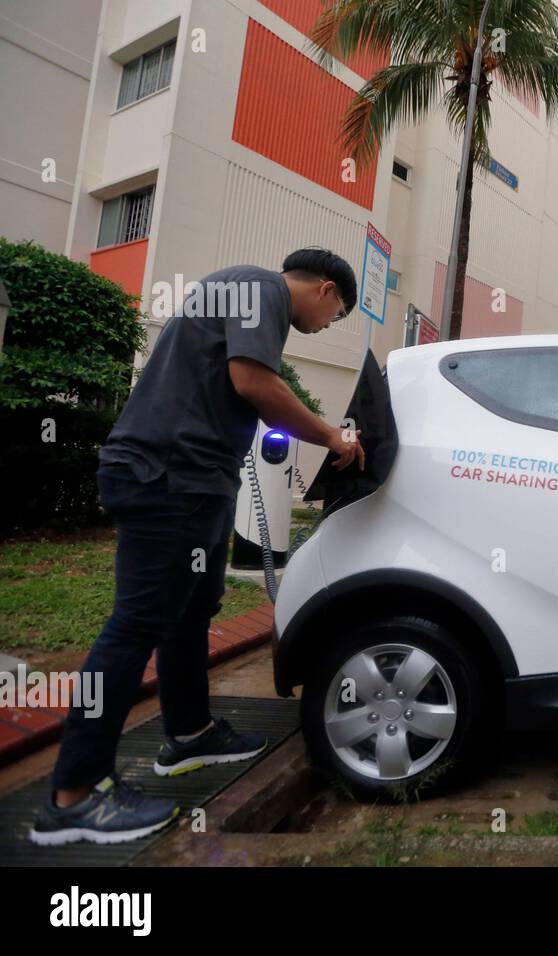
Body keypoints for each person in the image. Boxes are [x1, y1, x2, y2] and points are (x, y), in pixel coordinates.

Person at [30, 249, 366, 846]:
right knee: (135, 625)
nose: (328, 324)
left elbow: (235, 385)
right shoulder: (261, 288)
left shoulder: (245, 292)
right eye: (337, 313)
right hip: (169, 477)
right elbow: (252, 381)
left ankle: (188, 736)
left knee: (190, 613)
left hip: (193, 480)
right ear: (324, 288)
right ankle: (74, 795)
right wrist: (331, 437)